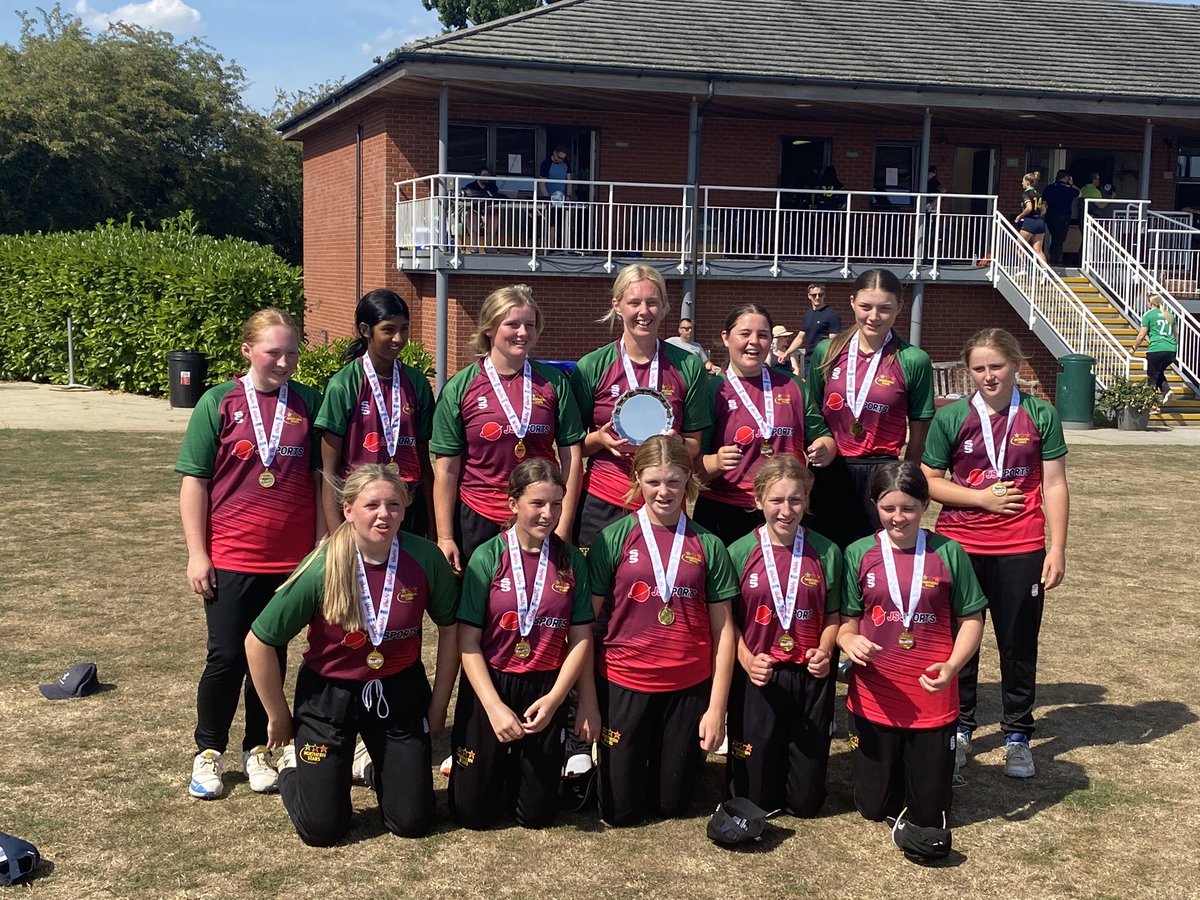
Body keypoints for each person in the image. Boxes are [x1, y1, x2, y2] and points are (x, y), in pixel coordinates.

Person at [244, 465, 459, 845]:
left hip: (398, 689)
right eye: (371, 505)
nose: (384, 514)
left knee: (412, 821)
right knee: (322, 830)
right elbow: (258, 641)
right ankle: (298, 768)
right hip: (329, 696)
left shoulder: (425, 558)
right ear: (347, 510)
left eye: (394, 504)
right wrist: (278, 716)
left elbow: (451, 628)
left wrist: (439, 703)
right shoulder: (322, 566)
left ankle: (380, 771)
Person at [176, 308, 324, 800]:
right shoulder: (217, 403)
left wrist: (322, 543)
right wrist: (198, 553)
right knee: (225, 658)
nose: (284, 362)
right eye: (273, 352)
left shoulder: (308, 403)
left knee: (273, 656)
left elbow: (320, 481)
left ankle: (258, 748)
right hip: (233, 556)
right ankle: (208, 753)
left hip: (290, 562)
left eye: (292, 352)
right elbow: (194, 483)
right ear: (247, 351)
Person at [920, 328, 1069, 779]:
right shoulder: (952, 418)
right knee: (958, 642)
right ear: (969, 372)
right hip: (960, 545)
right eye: (979, 368)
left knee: (1017, 641)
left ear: (1016, 365)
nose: (988, 376)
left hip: (1021, 545)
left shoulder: (1041, 414)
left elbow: (1056, 484)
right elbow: (928, 480)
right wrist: (981, 498)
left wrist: (1057, 548)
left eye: (996, 366)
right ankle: (961, 728)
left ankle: (1018, 734)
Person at [587, 434, 738, 826]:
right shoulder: (613, 538)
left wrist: (717, 708)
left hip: (687, 684)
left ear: (689, 480)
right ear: (637, 480)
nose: (664, 491)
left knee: (673, 805)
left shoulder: (709, 543)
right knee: (620, 813)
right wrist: (586, 697)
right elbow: (585, 624)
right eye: (653, 481)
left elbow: (724, 631)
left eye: (673, 481)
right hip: (624, 678)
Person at [837, 462, 986, 858]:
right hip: (874, 698)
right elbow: (845, 624)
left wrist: (953, 666)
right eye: (888, 509)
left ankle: (934, 767)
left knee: (930, 815)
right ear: (874, 506)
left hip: (931, 699)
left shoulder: (949, 552)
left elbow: (972, 618)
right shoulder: (858, 553)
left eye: (908, 508)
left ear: (925, 504)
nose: (898, 518)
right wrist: (848, 640)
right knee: (874, 808)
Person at [448, 459, 595, 829]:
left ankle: (523, 766)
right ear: (513, 503)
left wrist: (556, 699)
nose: (548, 515)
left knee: (537, 816)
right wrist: (495, 707)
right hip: (492, 684)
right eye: (537, 504)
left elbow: (580, 639)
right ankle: (486, 763)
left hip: (543, 685)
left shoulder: (572, 560)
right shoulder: (487, 556)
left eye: (556, 504)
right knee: (473, 815)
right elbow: (468, 641)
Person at [431, 284, 585, 574]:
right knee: (477, 610)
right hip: (478, 514)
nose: (523, 333)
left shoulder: (554, 382)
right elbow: (446, 469)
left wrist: (563, 525)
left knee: (538, 602)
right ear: (489, 329)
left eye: (530, 324)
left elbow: (572, 457)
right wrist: (445, 536)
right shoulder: (460, 387)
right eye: (512, 324)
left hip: (539, 515)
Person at [725, 457, 842, 816]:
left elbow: (835, 616)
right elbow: (727, 623)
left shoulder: (828, 552)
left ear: (807, 501)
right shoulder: (738, 552)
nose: (786, 510)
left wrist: (824, 651)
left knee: (805, 805)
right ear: (759, 500)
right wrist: (746, 661)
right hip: (759, 676)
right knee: (754, 801)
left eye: (795, 500)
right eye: (776, 500)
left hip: (809, 677)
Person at [570, 264, 711, 551]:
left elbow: (695, 445)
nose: (643, 311)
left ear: (665, 306)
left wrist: (678, 443)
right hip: (604, 498)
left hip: (664, 499)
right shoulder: (591, 367)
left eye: (652, 302)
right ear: (617, 306)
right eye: (634, 302)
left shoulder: (688, 366)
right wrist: (598, 439)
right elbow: (572, 447)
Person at [806, 269, 935, 549]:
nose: (873, 317)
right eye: (865, 306)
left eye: (885, 308)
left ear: (900, 307)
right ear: (852, 302)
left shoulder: (914, 360)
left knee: (877, 558)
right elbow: (811, 413)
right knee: (827, 556)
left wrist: (907, 478)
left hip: (883, 471)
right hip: (831, 468)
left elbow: (920, 428)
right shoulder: (826, 352)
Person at [695, 303, 836, 545]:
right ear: (726, 338)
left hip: (786, 512)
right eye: (745, 334)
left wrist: (825, 447)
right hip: (727, 512)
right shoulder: (711, 390)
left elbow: (823, 436)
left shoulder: (792, 385)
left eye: (762, 335)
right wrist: (716, 461)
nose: (754, 342)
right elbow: (694, 467)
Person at [316, 289, 434, 539]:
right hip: (362, 506)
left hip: (407, 506)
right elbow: (329, 472)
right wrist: (338, 536)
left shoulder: (416, 383)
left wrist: (435, 532)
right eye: (389, 329)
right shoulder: (344, 384)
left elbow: (425, 464)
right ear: (365, 330)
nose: (399, 338)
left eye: (404, 328)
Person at [784, 284, 843, 378]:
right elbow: (800, 337)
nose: (817, 297)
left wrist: (829, 361)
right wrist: (786, 353)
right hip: (809, 361)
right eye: (814, 295)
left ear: (824, 295)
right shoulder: (808, 314)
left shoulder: (831, 315)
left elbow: (834, 341)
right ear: (809, 296)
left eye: (820, 294)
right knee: (810, 389)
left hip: (823, 360)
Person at [1132, 295, 1177, 405]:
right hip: (1171, 350)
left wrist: (1134, 348)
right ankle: (1166, 390)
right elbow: (1176, 334)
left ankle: (1152, 405)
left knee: (1152, 378)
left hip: (1156, 349)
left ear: (1150, 303)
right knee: (1158, 372)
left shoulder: (1148, 315)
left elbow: (1142, 334)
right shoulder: (1169, 315)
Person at [1042, 170, 1079, 266]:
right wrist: (1072, 184)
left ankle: (1053, 258)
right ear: (1066, 178)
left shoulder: (1049, 188)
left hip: (1049, 216)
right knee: (1059, 238)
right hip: (1063, 217)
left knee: (1056, 237)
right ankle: (1053, 260)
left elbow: (1044, 203)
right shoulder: (1068, 189)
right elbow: (1079, 194)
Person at [538, 145, 572, 250]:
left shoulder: (566, 164)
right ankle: (551, 245)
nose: (561, 160)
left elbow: (569, 181)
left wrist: (568, 195)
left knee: (560, 221)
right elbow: (542, 182)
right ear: (554, 153)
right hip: (550, 197)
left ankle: (558, 245)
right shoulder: (546, 164)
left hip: (561, 197)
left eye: (563, 158)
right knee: (550, 221)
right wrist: (547, 197)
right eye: (559, 157)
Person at [461, 168, 502, 252]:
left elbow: (495, 198)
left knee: (494, 216)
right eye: (484, 175)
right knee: (471, 216)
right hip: (474, 209)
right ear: (478, 176)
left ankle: (488, 246)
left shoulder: (493, 187)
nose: (487, 177)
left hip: (488, 210)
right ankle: (474, 246)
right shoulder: (470, 186)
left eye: (488, 176)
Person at [1014, 172, 1047, 262]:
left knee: (1018, 246)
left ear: (1028, 182)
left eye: (1023, 181)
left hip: (1030, 221)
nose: (1022, 183)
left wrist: (1020, 216)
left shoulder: (1026, 194)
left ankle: (1023, 268)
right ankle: (1045, 271)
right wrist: (1037, 216)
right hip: (1040, 222)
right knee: (1038, 249)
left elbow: (1029, 208)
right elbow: (1043, 210)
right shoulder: (1038, 194)